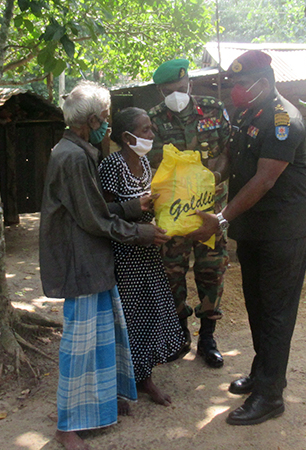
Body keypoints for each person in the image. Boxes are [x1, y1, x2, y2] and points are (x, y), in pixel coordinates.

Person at [186, 50, 306, 426]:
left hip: (283, 233)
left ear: (263, 82)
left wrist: (221, 219)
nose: (235, 91)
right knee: (258, 307)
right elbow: (231, 159)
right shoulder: (248, 114)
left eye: (241, 84)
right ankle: (264, 375)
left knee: (276, 313)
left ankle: (270, 396)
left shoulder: (282, 119)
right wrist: (201, 180)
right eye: (233, 85)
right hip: (257, 231)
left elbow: (265, 178)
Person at [39, 81, 170, 450]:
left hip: (91, 260)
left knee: (103, 338)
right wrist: (141, 232)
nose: (107, 126)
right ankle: (67, 427)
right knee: (79, 347)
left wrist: (131, 208)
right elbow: (94, 221)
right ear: (93, 119)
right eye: (106, 118)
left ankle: (102, 403)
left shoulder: (79, 150)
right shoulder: (74, 157)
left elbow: (92, 210)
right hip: (79, 262)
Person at [98, 107, 186, 406]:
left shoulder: (146, 163)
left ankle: (144, 377)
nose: (152, 134)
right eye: (146, 129)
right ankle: (121, 385)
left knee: (151, 312)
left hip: (147, 253)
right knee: (128, 319)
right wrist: (136, 209)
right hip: (123, 255)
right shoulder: (112, 165)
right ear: (126, 136)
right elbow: (102, 214)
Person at [148, 58, 231, 367]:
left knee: (212, 270)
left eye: (181, 89)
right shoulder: (153, 120)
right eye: (170, 91)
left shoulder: (213, 108)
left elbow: (227, 150)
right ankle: (180, 334)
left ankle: (207, 338)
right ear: (160, 92)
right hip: (173, 215)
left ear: (190, 85)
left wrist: (215, 179)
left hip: (210, 211)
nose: (177, 94)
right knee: (172, 273)